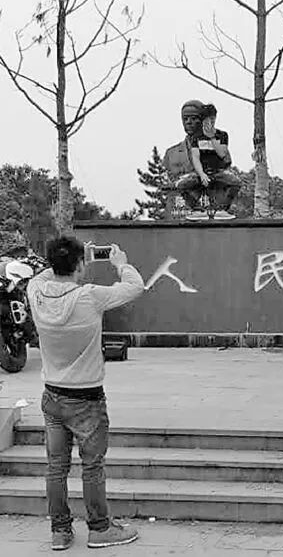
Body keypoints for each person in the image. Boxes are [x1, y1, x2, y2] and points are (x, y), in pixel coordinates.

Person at [26, 236, 144, 551]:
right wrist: (120, 264)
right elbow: (135, 286)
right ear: (79, 265)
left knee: (56, 466)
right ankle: (100, 529)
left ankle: (60, 532)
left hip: (52, 397)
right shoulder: (89, 297)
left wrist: (75, 259)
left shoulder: (35, 292)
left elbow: (43, 275)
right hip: (87, 400)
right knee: (91, 466)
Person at [163, 100, 241, 221]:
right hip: (181, 209)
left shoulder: (218, 140)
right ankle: (196, 209)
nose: (189, 122)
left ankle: (220, 210)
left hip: (212, 197)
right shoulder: (171, 153)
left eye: (194, 118)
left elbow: (225, 160)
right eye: (185, 119)